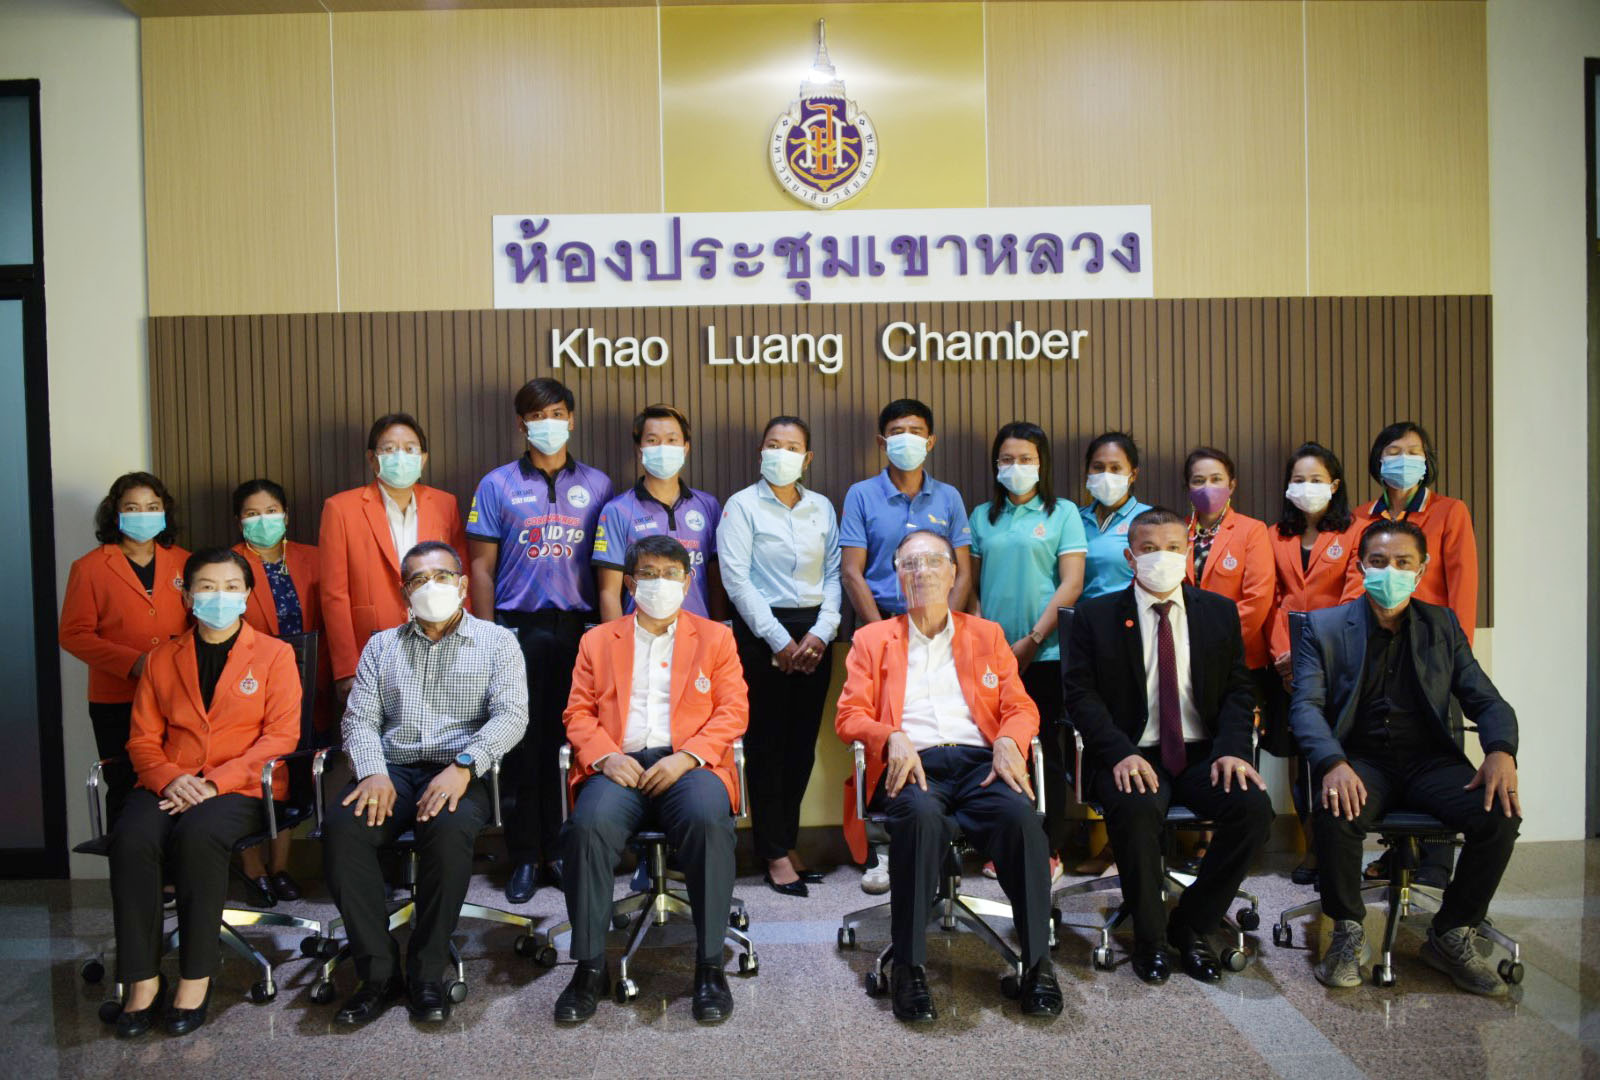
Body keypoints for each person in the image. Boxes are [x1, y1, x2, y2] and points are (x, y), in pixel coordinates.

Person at [835, 530, 1059, 1022]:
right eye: (910, 564)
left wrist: (1009, 739)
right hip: (913, 765)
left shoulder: (986, 634)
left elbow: (1020, 706)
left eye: (934, 562)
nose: (922, 572)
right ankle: (909, 969)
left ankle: (1038, 965)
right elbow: (849, 715)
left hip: (982, 764)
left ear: (954, 573)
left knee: (1022, 820)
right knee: (919, 820)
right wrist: (890, 735)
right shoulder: (873, 639)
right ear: (898, 575)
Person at [1292, 519, 1520, 996]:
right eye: (1378, 562)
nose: (1389, 572)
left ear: (1421, 568)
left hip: (1429, 762)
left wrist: (1501, 750)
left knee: (1498, 813)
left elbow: (1486, 700)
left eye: (1402, 562)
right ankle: (1347, 932)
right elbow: (1306, 707)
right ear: (1361, 566)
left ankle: (1452, 932)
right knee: (1336, 809)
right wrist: (1332, 763)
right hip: (1360, 760)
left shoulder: (1442, 625)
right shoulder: (1323, 627)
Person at [1061, 507, 1273, 985]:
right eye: (1150, 549)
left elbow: (1239, 690)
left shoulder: (1217, 612)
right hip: (1130, 753)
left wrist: (1233, 749)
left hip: (1203, 753)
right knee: (1137, 810)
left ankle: (1192, 924)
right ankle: (1150, 940)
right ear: (1130, 557)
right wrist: (1119, 753)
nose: (1163, 557)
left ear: (1188, 552)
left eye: (1174, 548)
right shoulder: (1095, 616)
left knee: (1254, 810)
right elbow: (1080, 696)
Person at [322, 541, 528, 1026]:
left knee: (447, 830)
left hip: (460, 768)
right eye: (418, 579)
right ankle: (376, 974)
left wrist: (464, 765)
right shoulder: (381, 646)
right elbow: (359, 720)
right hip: (391, 768)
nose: (431, 586)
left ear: (462, 584)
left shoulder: (498, 642)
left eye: (442, 576)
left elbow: (512, 716)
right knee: (344, 829)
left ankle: (427, 971)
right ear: (404, 593)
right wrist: (372, 770)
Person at [556, 536, 749, 1026]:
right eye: (647, 573)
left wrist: (687, 757)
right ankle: (589, 967)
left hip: (689, 765)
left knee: (708, 821)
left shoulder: (716, 638)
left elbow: (733, 711)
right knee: (586, 828)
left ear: (687, 582)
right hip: (619, 765)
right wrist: (605, 757)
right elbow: (578, 713)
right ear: (629, 583)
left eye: (670, 574)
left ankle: (710, 967)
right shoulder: (598, 641)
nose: (658, 582)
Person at [108, 548, 300, 1039]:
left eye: (232, 587)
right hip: (170, 781)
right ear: (188, 595)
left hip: (243, 786)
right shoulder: (161, 658)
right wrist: (172, 778)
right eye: (207, 587)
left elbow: (280, 738)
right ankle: (142, 981)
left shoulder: (275, 655)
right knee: (132, 838)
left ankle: (195, 978)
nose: (220, 596)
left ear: (247, 593)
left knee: (198, 833)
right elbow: (142, 740)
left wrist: (214, 783)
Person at [466, 377, 614, 905]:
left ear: (571, 419)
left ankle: (564, 850)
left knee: (573, 741)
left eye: (556, 414)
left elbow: (608, 567)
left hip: (579, 629)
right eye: (535, 415)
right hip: (517, 629)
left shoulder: (598, 484)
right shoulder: (497, 484)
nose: (547, 423)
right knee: (523, 745)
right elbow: (480, 569)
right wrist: (487, 638)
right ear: (521, 424)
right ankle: (526, 855)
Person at [839, 398, 972, 893]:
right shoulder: (861, 495)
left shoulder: (949, 498)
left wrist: (942, 626)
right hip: (880, 632)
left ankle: (940, 842)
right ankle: (883, 850)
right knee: (880, 734)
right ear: (882, 441)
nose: (907, 439)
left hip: (939, 633)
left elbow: (962, 571)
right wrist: (884, 636)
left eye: (916, 431)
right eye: (897, 431)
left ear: (930, 441)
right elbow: (852, 571)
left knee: (932, 728)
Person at [1340, 421, 1479, 886]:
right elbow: (1351, 584)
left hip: (1432, 650)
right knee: (1381, 749)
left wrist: (1453, 657)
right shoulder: (1361, 517)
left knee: (1437, 752)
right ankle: (1396, 854)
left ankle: (1436, 864)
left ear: (1427, 460)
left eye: (1413, 450)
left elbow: (1463, 587)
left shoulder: (1449, 512)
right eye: (1393, 450)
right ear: (1378, 460)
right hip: (1374, 649)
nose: (1403, 459)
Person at [716, 416, 841, 896]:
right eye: (773, 444)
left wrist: (822, 634)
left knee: (801, 746)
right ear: (760, 452)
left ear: (807, 458)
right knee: (766, 746)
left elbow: (833, 575)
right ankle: (771, 851)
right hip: (760, 632)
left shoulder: (821, 507)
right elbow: (736, 580)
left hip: (815, 634)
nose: (781, 454)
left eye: (792, 447)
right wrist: (778, 640)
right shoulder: (741, 506)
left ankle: (787, 841)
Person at [967, 421, 1086, 880]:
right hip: (991, 656)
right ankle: (1001, 844)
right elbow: (972, 586)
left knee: (1045, 751)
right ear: (995, 465)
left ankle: (1047, 846)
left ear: (1042, 464)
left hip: (1047, 653)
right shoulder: (983, 516)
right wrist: (987, 639)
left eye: (1025, 459)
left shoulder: (1063, 513)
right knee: (996, 747)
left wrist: (1034, 639)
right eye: (1007, 459)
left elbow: (1071, 583)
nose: (1015, 467)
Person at [60, 472, 191, 829]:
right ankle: (127, 857)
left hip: (177, 692)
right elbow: (73, 634)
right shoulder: (89, 568)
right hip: (116, 697)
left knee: (177, 780)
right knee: (123, 783)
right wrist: (133, 662)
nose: (143, 514)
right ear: (115, 513)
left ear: (165, 511)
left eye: (152, 507)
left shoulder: (185, 561)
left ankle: (174, 858)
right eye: (132, 508)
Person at [318, 412, 469, 702]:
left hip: (440, 639)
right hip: (371, 644)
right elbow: (333, 594)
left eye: (410, 449)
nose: (401, 456)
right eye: (389, 449)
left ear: (423, 458)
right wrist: (346, 668)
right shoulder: (340, 508)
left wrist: (466, 642)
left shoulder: (444, 504)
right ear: (372, 458)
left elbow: (460, 580)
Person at [230, 477, 329, 905]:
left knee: (294, 775)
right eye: (252, 514)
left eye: (270, 511)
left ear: (286, 514)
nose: (262, 520)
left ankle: (281, 866)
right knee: (249, 773)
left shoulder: (313, 557)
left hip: (308, 684)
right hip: (249, 684)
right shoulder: (228, 564)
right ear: (239, 520)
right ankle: (253, 869)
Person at [1266, 442, 1361, 884]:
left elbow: (1353, 598)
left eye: (1316, 479)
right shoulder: (1274, 535)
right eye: (1299, 479)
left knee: (1334, 752)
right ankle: (1309, 847)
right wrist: (1283, 656)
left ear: (1335, 485)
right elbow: (1270, 600)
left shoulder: (1356, 532)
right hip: (1286, 663)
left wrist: (1316, 656)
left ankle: (1335, 847)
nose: (1307, 487)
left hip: (1338, 662)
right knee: (1298, 756)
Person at [593, 403, 724, 622]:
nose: (663, 448)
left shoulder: (708, 506)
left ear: (686, 448)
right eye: (653, 440)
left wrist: (720, 631)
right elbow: (609, 593)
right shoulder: (617, 510)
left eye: (672, 440)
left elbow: (716, 584)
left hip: (697, 633)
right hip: (639, 633)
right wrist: (616, 638)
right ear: (639, 449)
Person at [1078, 432, 1153, 600]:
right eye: (1098, 467)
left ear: (1133, 475)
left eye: (1115, 468)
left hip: (1130, 612)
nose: (1106, 475)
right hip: (1082, 613)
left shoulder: (1150, 519)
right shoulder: (1075, 518)